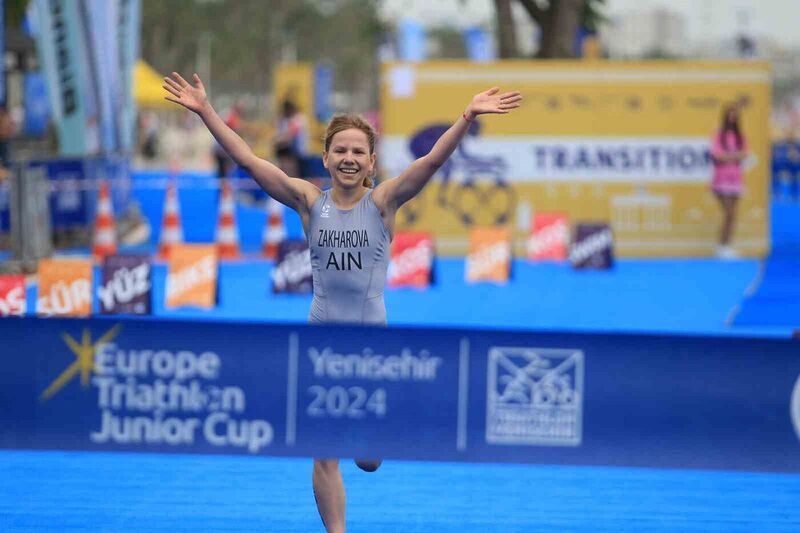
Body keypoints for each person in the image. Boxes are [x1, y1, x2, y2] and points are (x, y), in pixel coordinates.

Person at [163, 71, 521, 532]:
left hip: (373, 343)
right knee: (323, 448)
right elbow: (250, 162)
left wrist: (466, 117)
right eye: (340, 150)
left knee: (369, 460)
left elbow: (431, 162)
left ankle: (375, 434)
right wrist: (207, 111)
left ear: (371, 163)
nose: (349, 159)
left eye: (358, 152)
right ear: (327, 159)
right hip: (320, 338)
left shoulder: (384, 202)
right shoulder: (309, 202)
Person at [710, 103, 748, 259]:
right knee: (728, 212)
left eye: (735, 115)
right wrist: (733, 156)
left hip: (736, 179)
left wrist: (730, 156)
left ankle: (727, 245)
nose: (732, 118)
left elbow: (744, 154)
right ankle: (722, 244)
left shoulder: (741, 136)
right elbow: (718, 155)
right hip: (722, 179)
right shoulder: (719, 135)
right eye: (730, 114)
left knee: (733, 214)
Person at [273, 98, 309, 179]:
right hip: (286, 149)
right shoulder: (284, 119)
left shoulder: (298, 118)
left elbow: (291, 134)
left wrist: (278, 140)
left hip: (296, 151)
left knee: (294, 173)